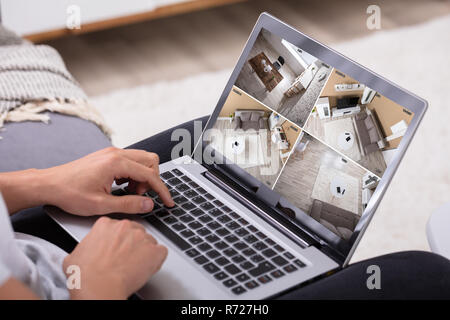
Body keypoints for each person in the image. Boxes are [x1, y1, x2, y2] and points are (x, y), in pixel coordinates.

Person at [1, 117, 450, 300]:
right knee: (427, 275)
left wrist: (41, 182)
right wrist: (96, 285)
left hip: (26, 254)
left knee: (208, 143)